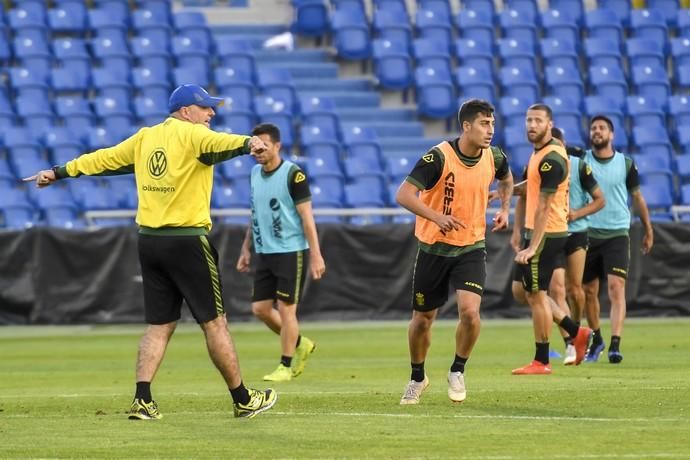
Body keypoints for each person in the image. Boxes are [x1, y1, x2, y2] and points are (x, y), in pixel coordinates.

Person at [24, 84, 277, 419]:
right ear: (186, 111)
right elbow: (222, 142)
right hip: (187, 241)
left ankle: (143, 399)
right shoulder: (194, 135)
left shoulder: (145, 138)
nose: (211, 114)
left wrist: (58, 172)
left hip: (150, 242)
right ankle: (243, 398)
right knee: (215, 323)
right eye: (206, 108)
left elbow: (103, 158)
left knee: (159, 325)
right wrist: (250, 142)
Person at [395, 99, 514, 404]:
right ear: (466, 126)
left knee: (471, 314)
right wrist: (436, 217)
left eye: (492, 124)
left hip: (471, 246)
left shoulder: (495, 156)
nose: (490, 130)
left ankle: (458, 370)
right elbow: (404, 195)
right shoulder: (438, 157)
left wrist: (504, 208)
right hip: (433, 247)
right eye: (484, 124)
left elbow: (506, 178)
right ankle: (417, 377)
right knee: (422, 320)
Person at [236, 123, 325, 382]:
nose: (258, 150)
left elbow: (307, 218)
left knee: (287, 310)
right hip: (265, 251)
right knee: (260, 309)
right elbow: (256, 213)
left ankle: (285, 365)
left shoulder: (293, 175)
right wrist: (246, 248)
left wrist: (316, 254)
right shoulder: (254, 173)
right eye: (256, 146)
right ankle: (301, 343)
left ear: (277, 146)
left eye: (264, 145)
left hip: (290, 250)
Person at [511, 104, 591, 375]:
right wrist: (503, 192)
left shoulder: (552, 159)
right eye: (528, 120)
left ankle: (541, 360)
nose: (532, 125)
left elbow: (544, 206)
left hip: (546, 233)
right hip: (538, 232)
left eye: (537, 120)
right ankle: (575, 331)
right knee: (520, 290)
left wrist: (533, 246)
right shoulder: (540, 153)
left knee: (536, 295)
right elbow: (530, 187)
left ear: (549, 123)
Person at [582, 115, 654, 363]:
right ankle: (597, 339)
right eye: (593, 128)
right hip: (589, 232)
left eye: (602, 128)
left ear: (611, 135)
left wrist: (648, 229)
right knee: (588, 292)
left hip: (617, 233)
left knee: (616, 288)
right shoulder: (583, 162)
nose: (597, 131)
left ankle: (615, 344)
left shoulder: (626, 164)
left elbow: (638, 198)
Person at [548, 127, 606, 364]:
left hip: (577, 233)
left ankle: (579, 329)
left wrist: (577, 213)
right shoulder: (543, 163)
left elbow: (600, 200)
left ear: (563, 143)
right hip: (553, 232)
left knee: (575, 289)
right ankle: (571, 342)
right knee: (557, 289)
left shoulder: (579, 166)